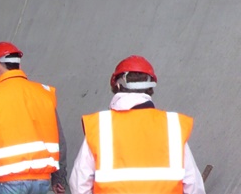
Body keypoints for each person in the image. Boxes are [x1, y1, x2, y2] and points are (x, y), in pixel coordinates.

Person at [69, 55, 205, 193]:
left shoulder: (101, 126)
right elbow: (193, 184)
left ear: (116, 84)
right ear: (150, 87)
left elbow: (80, 182)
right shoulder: (172, 126)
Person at [0, 41, 67, 194]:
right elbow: (60, 142)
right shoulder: (44, 94)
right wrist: (59, 178)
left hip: (9, 182)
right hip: (42, 180)